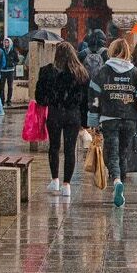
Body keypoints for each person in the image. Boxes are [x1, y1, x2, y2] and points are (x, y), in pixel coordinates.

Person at [90, 37, 137, 207]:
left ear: (112, 51)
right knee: (123, 153)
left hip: (110, 117)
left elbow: (94, 96)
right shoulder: (135, 72)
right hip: (130, 119)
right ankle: (120, 183)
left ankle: (116, 180)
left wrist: (93, 119)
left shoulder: (104, 71)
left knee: (112, 154)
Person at [34, 41, 90, 196]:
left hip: (55, 113)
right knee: (70, 149)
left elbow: (40, 97)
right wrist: (85, 123)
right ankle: (67, 185)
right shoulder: (81, 73)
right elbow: (86, 101)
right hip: (73, 115)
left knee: (54, 146)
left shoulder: (47, 71)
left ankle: (55, 180)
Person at [0, 37, 18, 104]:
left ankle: (9, 100)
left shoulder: (13, 51)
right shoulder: (1, 50)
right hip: (3, 71)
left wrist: (13, 64)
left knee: (10, 86)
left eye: (7, 42)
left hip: (10, 71)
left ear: (10, 43)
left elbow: (17, 60)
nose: (6, 43)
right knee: (2, 86)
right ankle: (2, 101)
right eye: (5, 42)